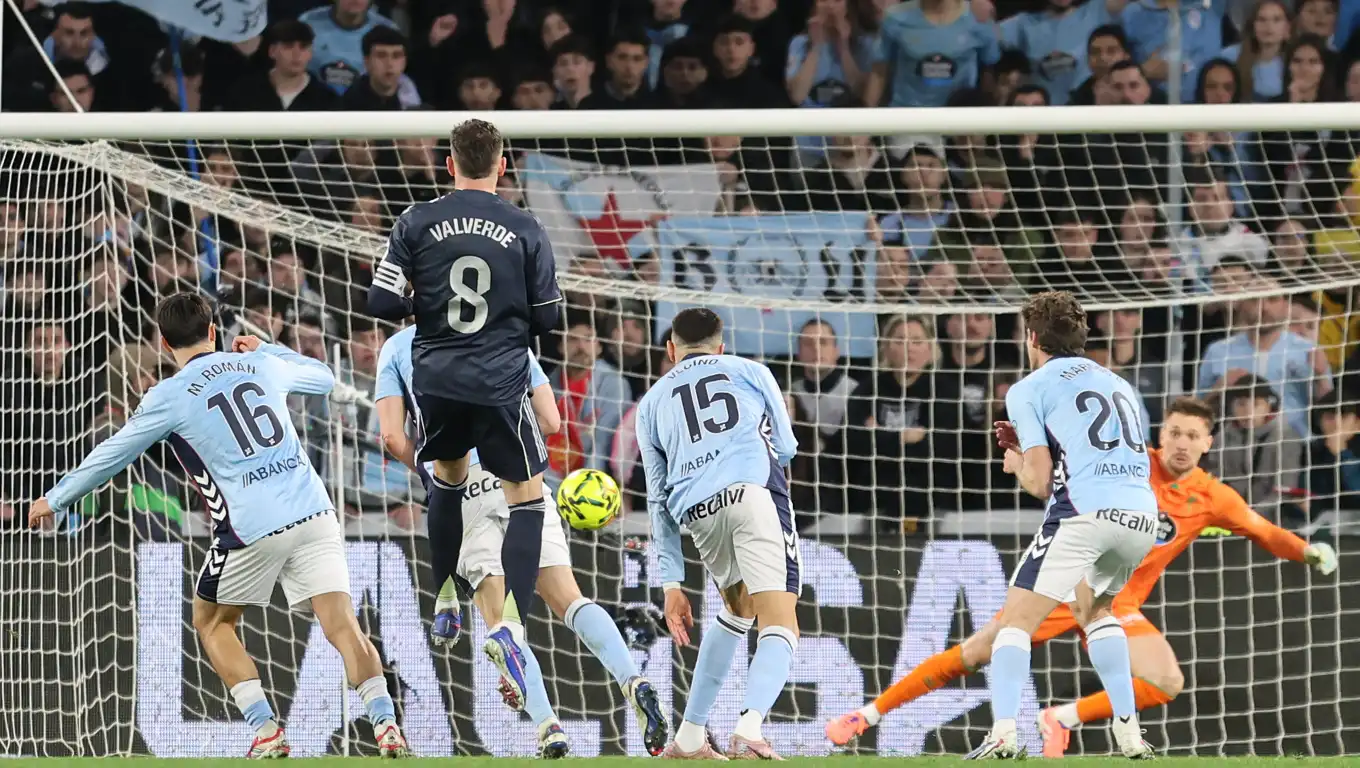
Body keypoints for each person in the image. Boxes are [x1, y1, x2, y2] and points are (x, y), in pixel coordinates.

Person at [825, 396, 1338, 754]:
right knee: (975, 653)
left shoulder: (1213, 497)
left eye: (1192, 436)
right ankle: (866, 716)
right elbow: (1060, 474)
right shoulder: (1128, 464)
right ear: (1160, 435)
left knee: (1165, 681)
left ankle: (1060, 717)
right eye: (1174, 432)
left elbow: (1263, 530)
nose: (1181, 443)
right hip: (1061, 586)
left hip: (1115, 605)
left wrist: (1306, 552)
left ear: (1208, 443)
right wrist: (1024, 457)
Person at [27, 293, 410, 759]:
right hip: (314, 511)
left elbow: (113, 453)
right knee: (343, 624)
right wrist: (269, 348)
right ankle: (386, 724)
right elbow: (325, 377)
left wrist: (55, 497)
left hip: (251, 526)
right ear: (212, 332)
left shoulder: (167, 395)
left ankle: (266, 730)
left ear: (165, 343)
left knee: (211, 622)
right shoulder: (260, 364)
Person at [372, 326, 668, 759]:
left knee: (501, 622)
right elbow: (551, 420)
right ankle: (632, 680)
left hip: (461, 483)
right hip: (521, 474)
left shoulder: (399, 346)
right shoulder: (504, 329)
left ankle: (549, 727)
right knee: (570, 599)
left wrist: (432, 474)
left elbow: (392, 437)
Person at [366, 118, 563, 711]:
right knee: (527, 498)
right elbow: (548, 317)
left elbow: (379, 301)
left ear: (449, 165)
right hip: (500, 381)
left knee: (447, 480)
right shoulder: (525, 226)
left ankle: (446, 591)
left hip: (437, 379)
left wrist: (426, 300)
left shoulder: (414, 221)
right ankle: (511, 625)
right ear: (502, 165)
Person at [974, 290, 1159, 759]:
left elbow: (1040, 484)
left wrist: (1016, 462)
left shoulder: (1027, 388)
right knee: (1096, 612)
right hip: (1141, 515)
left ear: (1033, 338)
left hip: (1085, 512)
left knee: (1015, 622)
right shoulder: (1118, 382)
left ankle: (1003, 733)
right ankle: (1130, 733)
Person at [635, 308, 799, 759]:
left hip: (699, 513)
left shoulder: (650, 404)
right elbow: (786, 447)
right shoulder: (749, 370)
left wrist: (672, 583)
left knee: (739, 609)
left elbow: (657, 499)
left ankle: (690, 736)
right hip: (752, 495)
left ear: (671, 350)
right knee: (781, 620)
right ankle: (749, 728)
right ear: (721, 347)